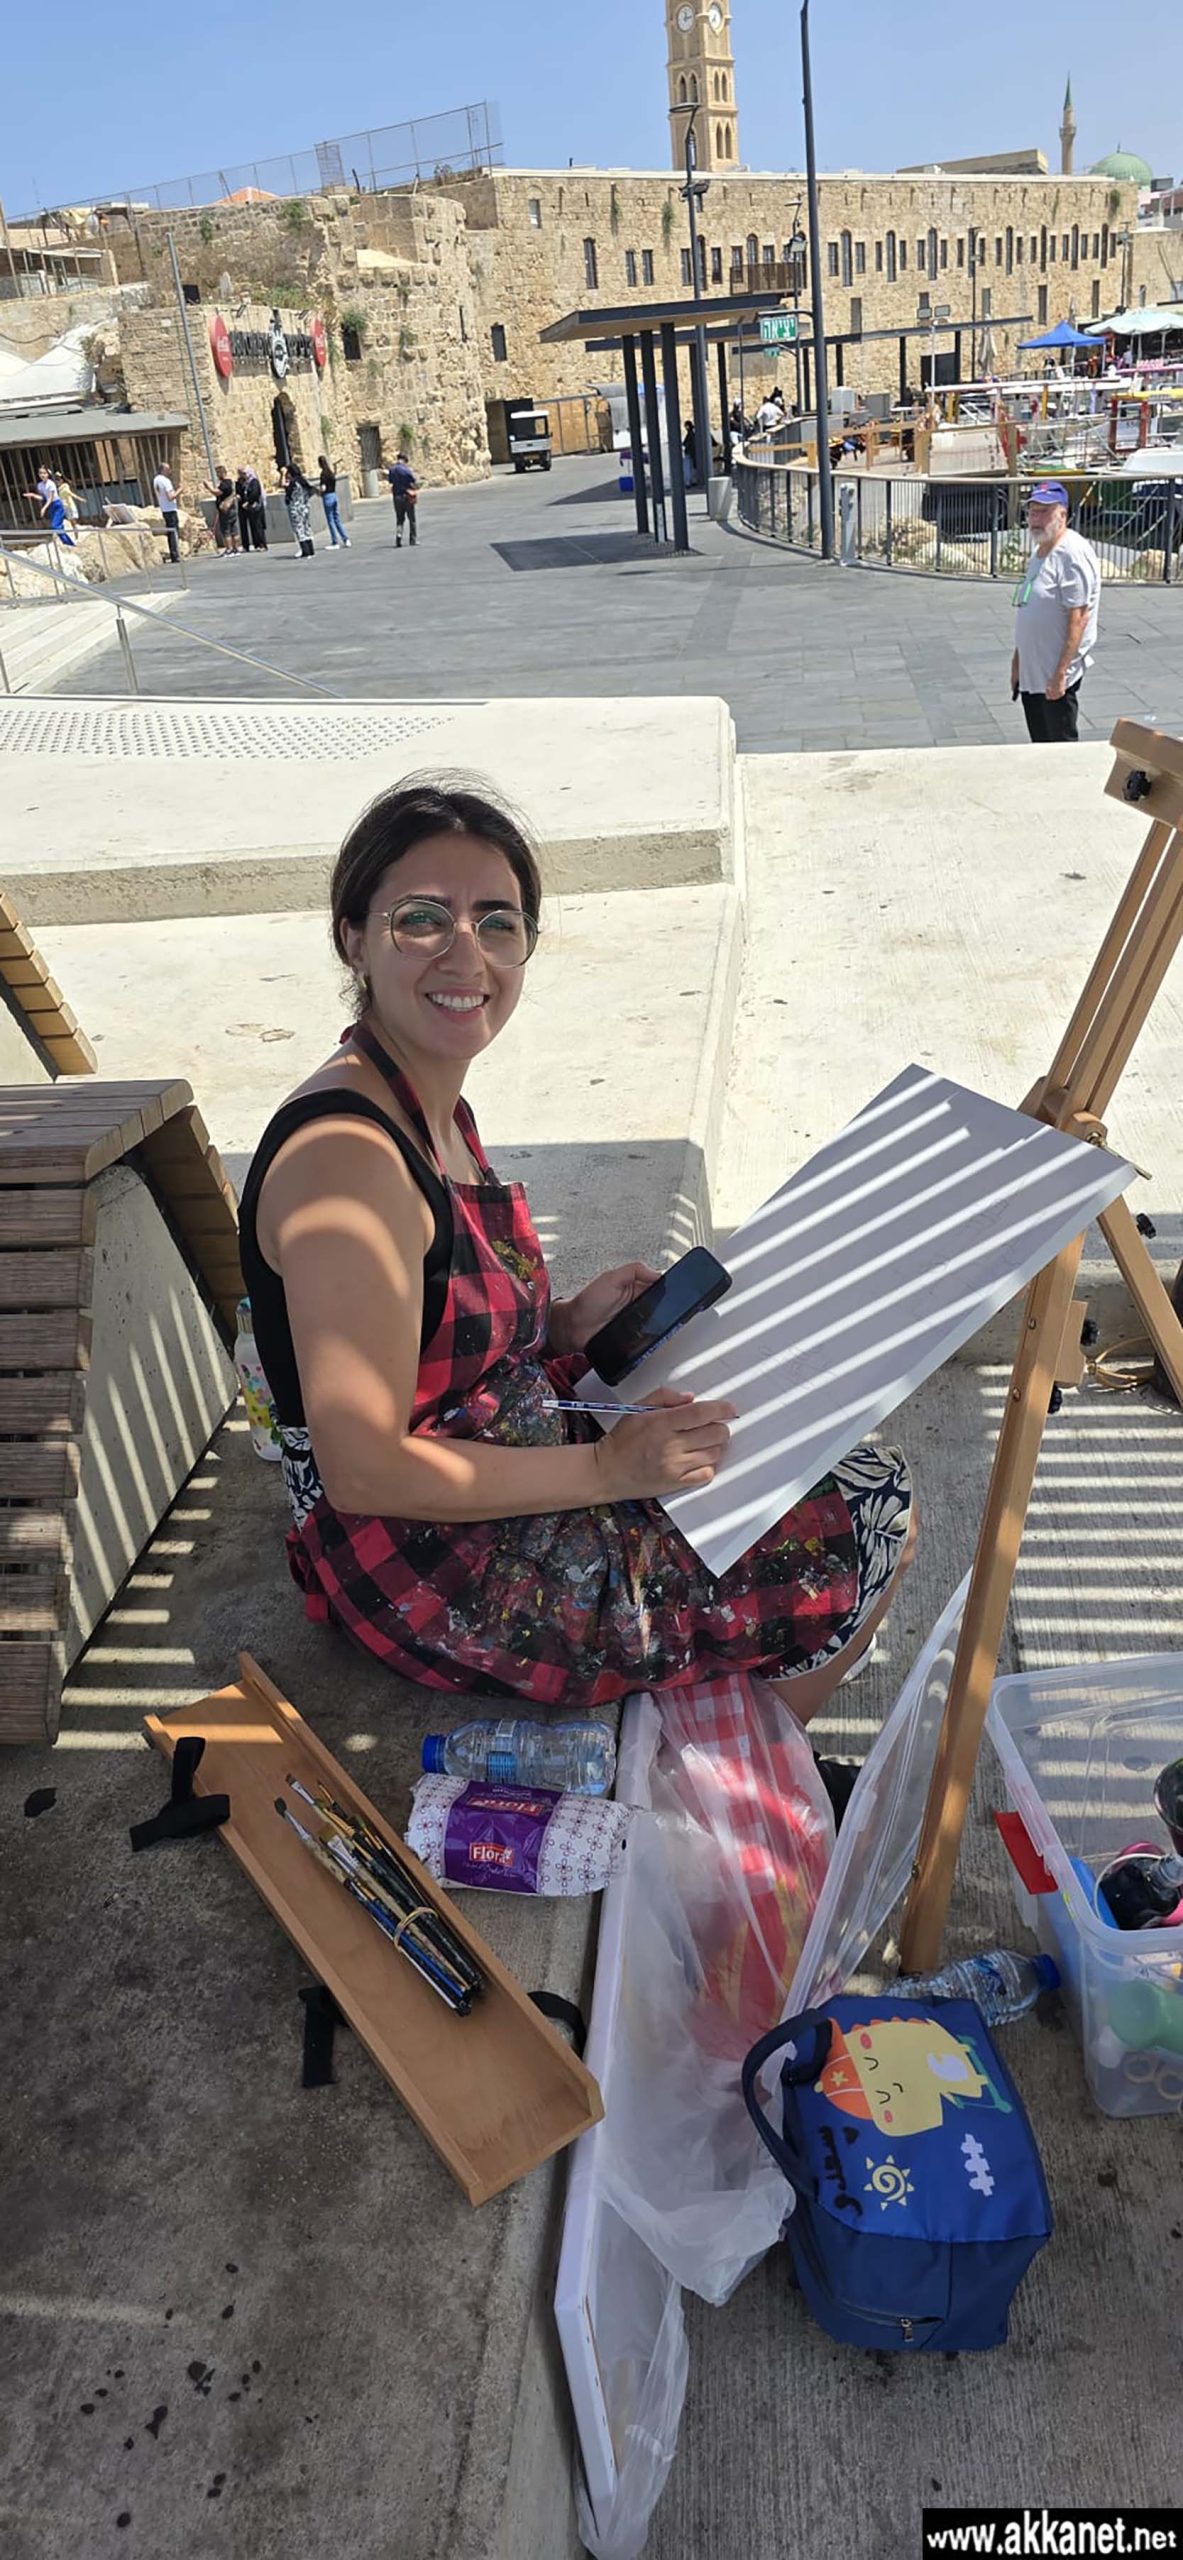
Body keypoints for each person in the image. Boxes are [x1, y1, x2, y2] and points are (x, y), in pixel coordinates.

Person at [238, 779, 914, 1729]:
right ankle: (741, 1774)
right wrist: (607, 1472)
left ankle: (728, 1722)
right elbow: (362, 1469)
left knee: (795, 1441)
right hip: (435, 1569)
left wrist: (559, 1327)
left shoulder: (424, 1099)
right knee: (875, 1504)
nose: (466, 953)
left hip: (488, 1474)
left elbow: (416, 1326)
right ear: (353, 938)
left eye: (497, 922)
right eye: (421, 919)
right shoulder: (346, 1162)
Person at [1011, 478, 1100, 744]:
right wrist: (1018, 662)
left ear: (1062, 515)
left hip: (1055, 675)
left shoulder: (1072, 554)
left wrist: (1061, 673)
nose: (1035, 519)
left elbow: (1079, 619)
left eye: (1044, 512)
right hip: (1032, 672)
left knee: (1061, 748)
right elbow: (1027, 605)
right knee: (1040, 746)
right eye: (1032, 511)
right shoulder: (1040, 550)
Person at [23, 463, 75, 548]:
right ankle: (69, 544)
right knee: (59, 527)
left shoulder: (51, 484)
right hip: (51, 506)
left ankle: (68, 543)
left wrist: (44, 508)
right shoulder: (40, 485)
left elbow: (50, 498)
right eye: (40, 473)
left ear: (47, 474)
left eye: (44, 473)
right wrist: (33, 495)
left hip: (57, 505)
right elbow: (43, 498)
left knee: (55, 526)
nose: (42, 475)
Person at [282, 459, 316, 559]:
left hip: (296, 508)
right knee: (306, 527)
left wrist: (283, 474)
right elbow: (311, 491)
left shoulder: (293, 483)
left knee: (299, 529)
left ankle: (305, 551)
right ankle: (311, 550)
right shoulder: (303, 481)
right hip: (305, 507)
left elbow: (283, 486)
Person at [318, 454, 350, 548]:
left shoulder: (323, 474)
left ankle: (335, 542)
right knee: (337, 518)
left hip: (327, 496)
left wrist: (318, 492)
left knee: (330, 520)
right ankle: (345, 539)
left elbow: (323, 488)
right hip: (334, 495)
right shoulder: (331, 473)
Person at [387, 449, 418, 546]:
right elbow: (413, 480)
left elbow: (390, 481)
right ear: (404, 460)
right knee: (411, 519)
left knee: (400, 519)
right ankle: (413, 540)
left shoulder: (392, 470)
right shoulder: (406, 470)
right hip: (407, 496)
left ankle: (398, 537)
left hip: (397, 497)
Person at [153, 464, 181, 564]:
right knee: (174, 532)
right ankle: (176, 554)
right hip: (170, 509)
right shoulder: (165, 481)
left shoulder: (156, 480)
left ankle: (173, 553)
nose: (170, 471)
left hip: (164, 509)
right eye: (168, 469)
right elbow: (170, 497)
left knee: (170, 532)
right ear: (163, 470)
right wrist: (180, 490)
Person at [210, 463, 239, 555]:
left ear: (221, 473)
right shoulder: (230, 482)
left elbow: (217, 492)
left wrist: (208, 487)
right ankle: (236, 549)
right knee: (234, 530)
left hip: (226, 510)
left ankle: (229, 549)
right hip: (232, 508)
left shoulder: (224, 484)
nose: (217, 476)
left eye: (218, 473)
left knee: (226, 530)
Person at [240, 464, 268, 552]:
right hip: (250, 508)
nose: (243, 475)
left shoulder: (254, 482)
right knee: (253, 526)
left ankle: (262, 544)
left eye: (245, 473)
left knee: (258, 526)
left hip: (256, 507)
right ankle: (257, 544)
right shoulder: (246, 483)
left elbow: (255, 493)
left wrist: (248, 502)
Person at [682, 417, 697, 488]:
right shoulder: (692, 434)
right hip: (693, 453)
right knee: (692, 468)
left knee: (688, 467)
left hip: (690, 453)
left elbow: (686, 443)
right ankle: (693, 480)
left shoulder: (690, 434)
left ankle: (689, 482)